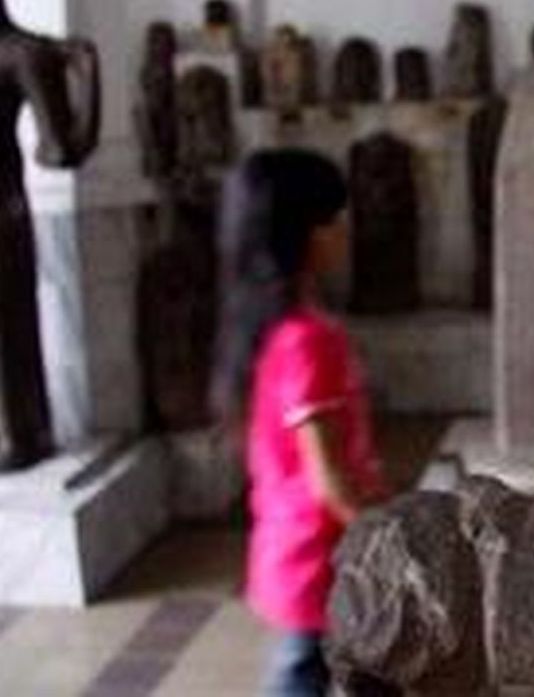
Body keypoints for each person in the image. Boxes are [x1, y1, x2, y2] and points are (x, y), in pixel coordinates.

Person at [213, 148, 387, 696]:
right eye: (334, 218)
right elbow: (329, 481)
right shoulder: (310, 341)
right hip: (319, 562)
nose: (344, 231)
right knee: (303, 676)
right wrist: (390, 535)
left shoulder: (272, 330)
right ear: (307, 234)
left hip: (296, 551)